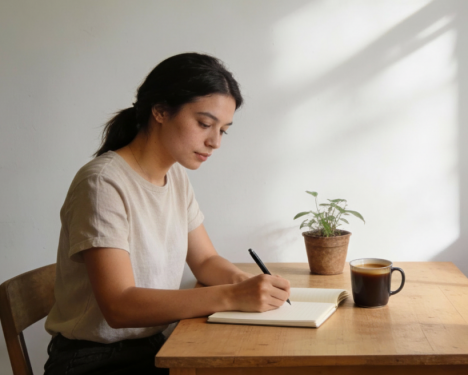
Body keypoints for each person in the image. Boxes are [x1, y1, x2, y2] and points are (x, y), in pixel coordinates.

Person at [43, 53, 290, 375]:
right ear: (160, 111)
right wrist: (232, 295)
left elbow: (204, 261)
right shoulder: (103, 183)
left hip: (151, 345)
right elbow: (119, 306)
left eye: (223, 130)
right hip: (94, 361)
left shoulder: (174, 176)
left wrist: (247, 283)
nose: (214, 141)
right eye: (204, 124)